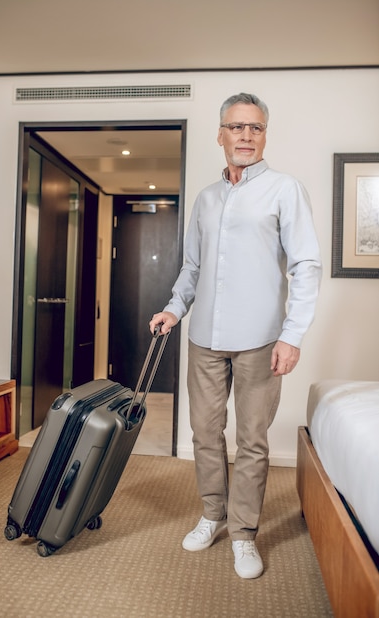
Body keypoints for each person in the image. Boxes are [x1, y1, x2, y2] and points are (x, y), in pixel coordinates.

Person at [149, 92, 322, 579]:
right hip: (204, 337)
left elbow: (306, 265)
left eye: (256, 127)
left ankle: (244, 533)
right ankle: (212, 514)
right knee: (205, 434)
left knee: (252, 440)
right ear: (220, 134)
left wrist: (293, 334)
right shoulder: (206, 197)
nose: (246, 136)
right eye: (237, 127)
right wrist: (173, 308)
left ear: (265, 134)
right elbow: (193, 266)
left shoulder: (286, 190)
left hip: (262, 339)